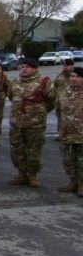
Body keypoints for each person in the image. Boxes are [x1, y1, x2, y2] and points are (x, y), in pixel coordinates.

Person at [7, 57, 54, 187]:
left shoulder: (44, 82)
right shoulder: (15, 81)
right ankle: (22, 173)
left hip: (35, 125)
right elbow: (11, 97)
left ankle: (32, 175)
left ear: (35, 69)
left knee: (34, 152)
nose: (24, 69)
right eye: (22, 67)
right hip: (17, 123)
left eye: (27, 67)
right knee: (17, 151)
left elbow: (51, 100)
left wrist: (39, 112)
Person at [55, 66, 83, 196]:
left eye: (77, 77)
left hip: (81, 134)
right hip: (67, 134)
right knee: (68, 161)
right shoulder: (63, 93)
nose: (74, 79)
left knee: (81, 161)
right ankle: (73, 182)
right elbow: (58, 111)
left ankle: (82, 185)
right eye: (72, 76)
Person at [54, 59, 75, 140]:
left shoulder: (75, 75)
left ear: (72, 66)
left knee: (71, 118)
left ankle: (71, 134)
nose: (65, 67)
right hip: (59, 101)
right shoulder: (60, 75)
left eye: (67, 65)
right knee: (60, 118)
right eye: (64, 65)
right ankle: (60, 134)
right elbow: (55, 84)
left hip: (71, 101)